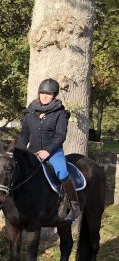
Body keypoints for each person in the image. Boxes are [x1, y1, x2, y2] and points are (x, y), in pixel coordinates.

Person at [16, 78, 80, 220]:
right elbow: (24, 135)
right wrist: (19, 152)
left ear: (54, 95)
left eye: (48, 94)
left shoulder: (60, 113)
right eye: (42, 93)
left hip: (53, 152)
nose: (45, 96)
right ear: (39, 93)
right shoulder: (29, 113)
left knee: (62, 173)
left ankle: (74, 205)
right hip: (32, 152)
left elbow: (60, 136)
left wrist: (47, 151)